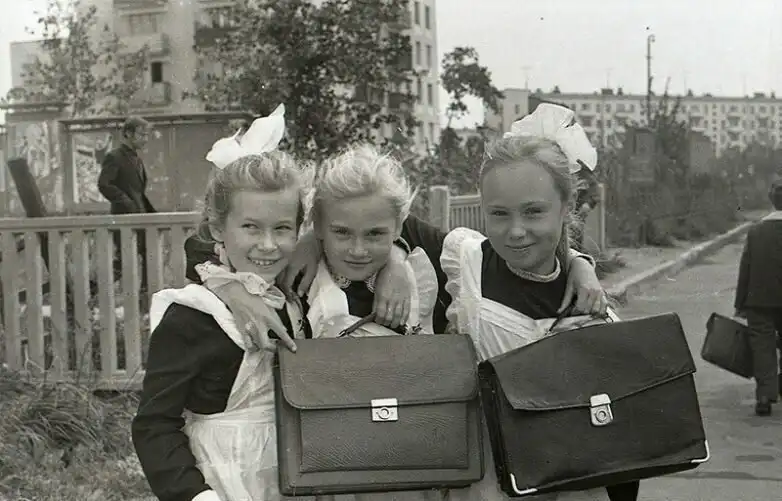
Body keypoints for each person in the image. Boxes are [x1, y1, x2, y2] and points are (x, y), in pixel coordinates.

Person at [439, 104, 638, 501]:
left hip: (570, 483)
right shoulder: (467, 261)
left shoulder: (589, 304)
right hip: (487, 483)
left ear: (567, 207)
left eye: (533, 212)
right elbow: (388, 226)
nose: (516, 231)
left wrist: (579, 263)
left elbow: (621, 445)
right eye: (499, 214)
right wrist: (390, 262)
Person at [132, 151, 314, 501]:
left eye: (282, 229)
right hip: (220, 480)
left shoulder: (296, 301)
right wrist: (196, 494)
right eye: (250, 227)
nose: (267, 244)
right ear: (218, 228)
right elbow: (154, 424)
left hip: (290, 476)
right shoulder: (192, 316)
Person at [734, 180, 782, 416]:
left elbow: (746, 267)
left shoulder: (756, 231)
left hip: (759, 299)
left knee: (762, 347)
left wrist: (740, 303)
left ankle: (764, 395)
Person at [97, 116, 155, 291]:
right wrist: (126, 202)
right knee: (124, 261)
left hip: (141, 216)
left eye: (147, 135)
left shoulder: (137, 159)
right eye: (141, 135)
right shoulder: (114, 157)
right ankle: (94, 290)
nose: (145, 139)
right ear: (128, 134)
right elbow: (104, 184)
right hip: (124, 217)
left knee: (147, 255)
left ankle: (145, 294)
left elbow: (138, 191)